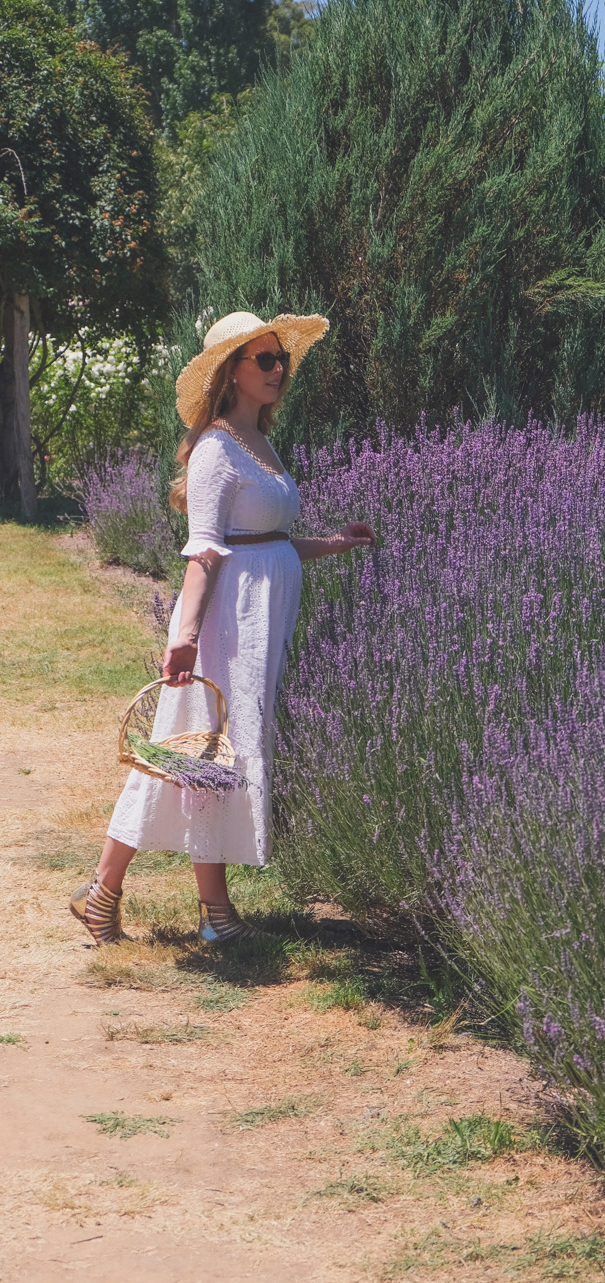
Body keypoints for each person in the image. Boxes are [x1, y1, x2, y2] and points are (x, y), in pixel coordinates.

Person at [70, 311, 376, 945]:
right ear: (230, 372)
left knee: (196, 757)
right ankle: (214, 914)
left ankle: (104, 894)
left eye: (280, 359)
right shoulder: (215, 447)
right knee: (208, 756)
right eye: (263, 359)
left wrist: (334, 545)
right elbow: (206, 550)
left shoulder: (258, 441)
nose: (276, 369)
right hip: (230, 626)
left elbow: (268, 541)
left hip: (262, 620)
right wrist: (183, 635)